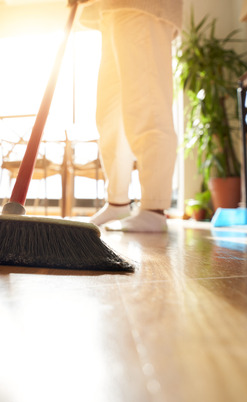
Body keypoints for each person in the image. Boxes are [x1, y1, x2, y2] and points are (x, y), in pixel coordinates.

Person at [75, 0, 182, 232]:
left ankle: (154, 208)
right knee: (110, 114)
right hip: (109, 10)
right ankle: (117, 203)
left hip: (144, 6)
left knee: (147, 102)